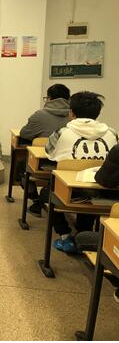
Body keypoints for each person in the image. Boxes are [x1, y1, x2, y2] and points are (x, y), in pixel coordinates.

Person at [45, 91, 118, 253]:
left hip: (71, 190)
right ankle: (84, 233)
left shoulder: (61, 132)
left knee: (51, 191)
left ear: (71, 113)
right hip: (103, 189)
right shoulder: (112, 133)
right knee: (90, 191)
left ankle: (64, 235)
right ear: (97, 113)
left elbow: (48, 152)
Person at [20, 84, 70, 216]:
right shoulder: (74, 117)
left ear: (49, 98)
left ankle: (37, 201)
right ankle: (43, 200)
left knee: (21, 167)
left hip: (43, 163)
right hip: (68, 166)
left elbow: (24, 134)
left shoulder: (39, 115)